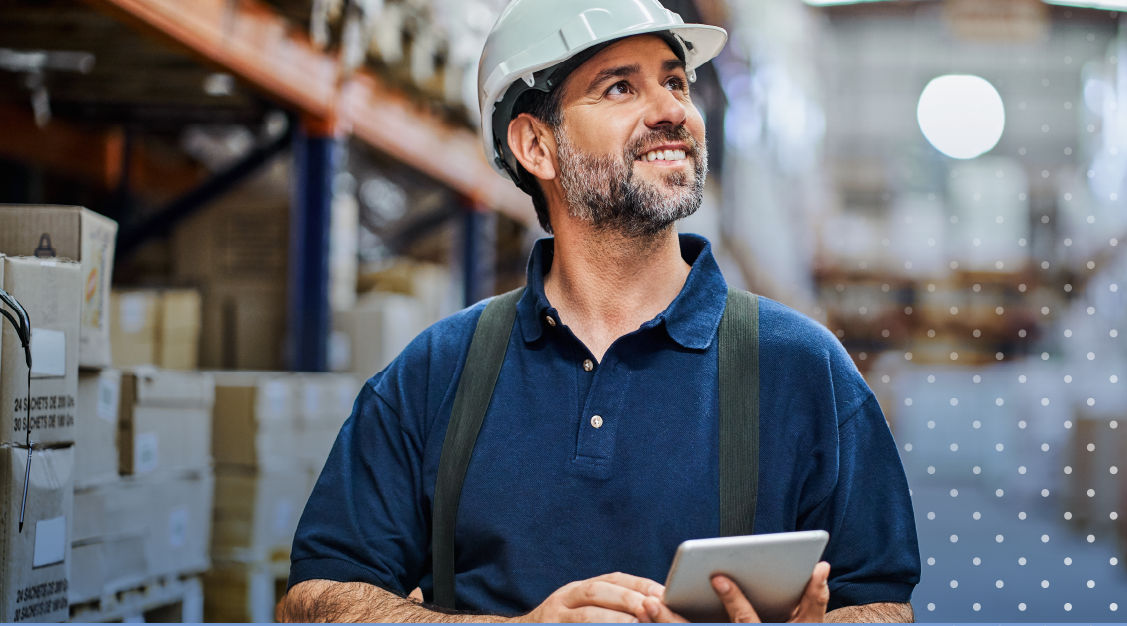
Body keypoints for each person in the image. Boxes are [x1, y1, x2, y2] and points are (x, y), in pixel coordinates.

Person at [278, 0, 920, 622]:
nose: (673, 110)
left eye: (676, 82)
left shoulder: (803, 370)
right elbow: (314, 599)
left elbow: (881, 602)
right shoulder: (437, 372)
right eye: (620, 88)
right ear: (536, 146)